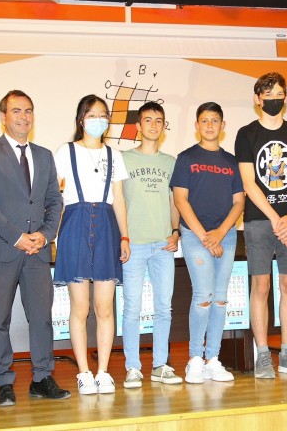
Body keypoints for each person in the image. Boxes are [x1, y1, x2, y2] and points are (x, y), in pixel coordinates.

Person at [0, 90, 70, 406]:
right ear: (3, 116)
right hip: (3, 249)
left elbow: (54, 200)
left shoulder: (44, 155)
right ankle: (3, 382)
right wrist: (17, 236)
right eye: (16, 111)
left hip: (38, 251)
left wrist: (45, 234)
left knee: (41, 317)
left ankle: (42, 378)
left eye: (28, 111)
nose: (23, 117)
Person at [235, 72, 287, 378]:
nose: (273, 99)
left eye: (279, 93)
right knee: (261, 285)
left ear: (286, 96)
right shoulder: (246, 134)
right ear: (258, 99)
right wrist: (275, 218)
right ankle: (263, 354)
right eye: (267, 95)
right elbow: (248, 183)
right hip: (259, 221)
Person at [53, 94, 131, 394]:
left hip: (107, 228)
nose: (97, 120)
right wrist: (55, 235)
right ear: (80, 119)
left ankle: (103, 372)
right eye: (91, 115)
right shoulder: (66, 151)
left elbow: (120, 200)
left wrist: (124, 236)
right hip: (74, 225)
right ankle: (83, 372)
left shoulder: (115, 155)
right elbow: (55, 197)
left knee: (105, 308)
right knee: (80, 307)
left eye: (102, 115)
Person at [171, 102, 245, 384]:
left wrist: (220, 233)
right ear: (197, 125)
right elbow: (180, 200)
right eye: (205, 121)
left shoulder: (232, 162)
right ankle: (194, 359)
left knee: (220, 298)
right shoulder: (186, 158)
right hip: (194, 235)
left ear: (223, 126)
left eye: (215, 121)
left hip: (225, 235)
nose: (210, 125)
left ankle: (213, 358)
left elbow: (239, 202)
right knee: (203, 296)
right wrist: (205, 236)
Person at [121, 102, 182, 388]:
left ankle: (160, 365)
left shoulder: (171, 163)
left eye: (159, 120)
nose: (153, 125)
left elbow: (175, 202)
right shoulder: (123, 159)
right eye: (148, 120)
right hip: (133, 245)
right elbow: (117, 202)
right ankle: (133, 367)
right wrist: (123, 237)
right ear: (138, 126)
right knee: (132, 308)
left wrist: (175, 231)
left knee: (164, 308)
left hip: (162, 245)